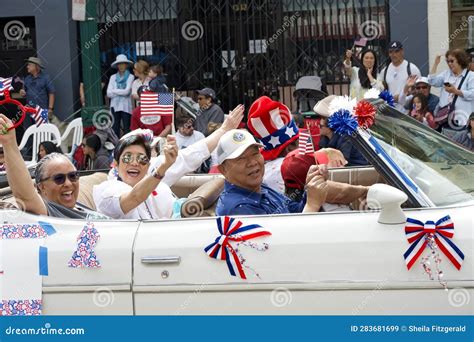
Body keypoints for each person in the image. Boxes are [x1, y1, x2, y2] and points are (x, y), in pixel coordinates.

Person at [93, 104, 245, 219]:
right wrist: (161, 169)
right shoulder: (107, 190)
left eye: (142, 158)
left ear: (148, 163)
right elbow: (134, 198)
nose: (134, 163)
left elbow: (191, 155)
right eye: (127, 157)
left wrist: (224, 130)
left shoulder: (152, 174)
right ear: (116, 163)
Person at [0, 113, 107, 219]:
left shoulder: (78, 207)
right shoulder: (51, 212)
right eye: (59, 178)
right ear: (42, 187)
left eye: (73, 176)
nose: (68, 183)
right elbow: (25, 196)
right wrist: (9, 143)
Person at [215, 129, 329, 216]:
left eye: (255, 153)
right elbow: (285, 244)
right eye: (241, 158)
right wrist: (312, 204)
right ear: (223, 170)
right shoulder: (237, 209)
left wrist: (311, 187)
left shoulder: (261, 188)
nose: (252, 162)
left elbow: (295, 211)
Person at [247, 96, 347, 193]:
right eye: (298, 141)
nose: (302, 143)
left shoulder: (263, 171)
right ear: (290, 149)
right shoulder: (295, 168)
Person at [281, 149, 369, 211]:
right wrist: (368, 190)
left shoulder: (286, 202)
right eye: (317, 166)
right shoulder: (316, 198)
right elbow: (343, 192)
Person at [429, 49, 474, 129]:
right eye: (447, 61)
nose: (449, 64)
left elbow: (472, 94)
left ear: (460, 60)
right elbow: (432, 81)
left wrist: (455, 91)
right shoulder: (446, 74)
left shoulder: (470, 76)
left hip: (462, 120)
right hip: (445, 119)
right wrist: (436, 63)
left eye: (452, 61)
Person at [378, 41, 421, 112]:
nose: (393, 54)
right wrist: (390, 98)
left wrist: (403, 97)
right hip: (390, 111)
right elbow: (380, 92)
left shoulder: (412, 69)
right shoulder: (384, 71)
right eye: (391, 52)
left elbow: (419, 92)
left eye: (396, 51)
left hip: (407, 112)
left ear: (402, 51)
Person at [107, 54, 134, 138]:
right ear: (117, 66)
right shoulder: (112, 77)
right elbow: (108, 93)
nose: (121, 66)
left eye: (123, 64)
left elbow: (126, 92)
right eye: (119, 64)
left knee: (127, 128)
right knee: (115, 128)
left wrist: (114, 90)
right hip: (114, 106)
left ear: (126, 65)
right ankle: (116, 147)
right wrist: (120, 91)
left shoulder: (131, 76)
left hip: (126, 106)